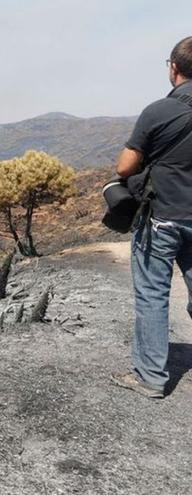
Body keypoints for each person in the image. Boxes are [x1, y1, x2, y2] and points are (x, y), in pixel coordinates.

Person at [111, 37, 192, 399]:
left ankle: (151, 378)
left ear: (173, 68)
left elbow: (125, 165)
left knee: (152, 296)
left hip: (161, 216)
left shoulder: (159, 111)